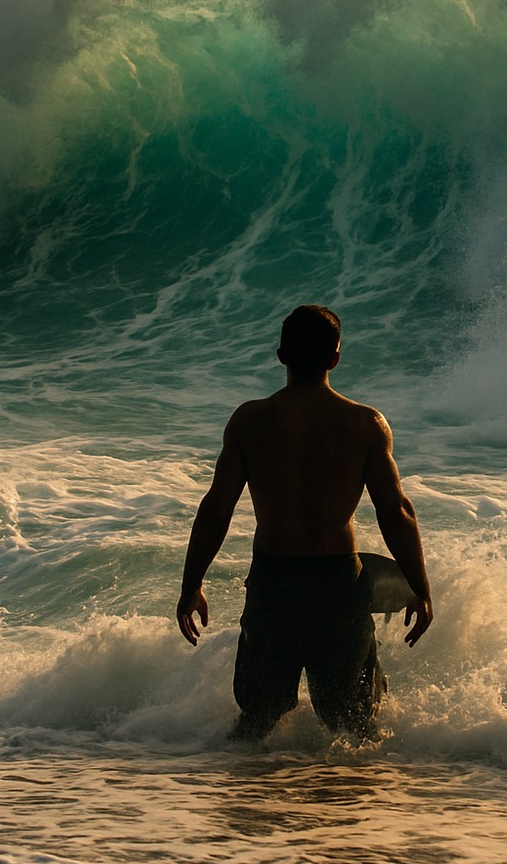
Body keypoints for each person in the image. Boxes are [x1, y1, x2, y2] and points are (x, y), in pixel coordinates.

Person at [176, 304, 432, 740]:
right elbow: (396, 512)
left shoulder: (250, 421)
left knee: (257, 720)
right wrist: (420, 589)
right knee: (355, 725)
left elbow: (216, 508)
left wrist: (191, 586)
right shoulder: (365, 424)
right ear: (335, 358)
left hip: (274, 585)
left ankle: (242, 784)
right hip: (338, 585)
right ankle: (355, 785)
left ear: (281, 356)